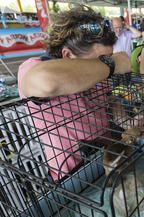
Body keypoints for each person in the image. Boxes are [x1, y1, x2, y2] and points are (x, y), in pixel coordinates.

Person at [18, 5, 131, 180]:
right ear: (67, 55)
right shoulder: (33, 67)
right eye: (100, 61)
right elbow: (43, 80)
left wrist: (128, 122)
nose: (103, 68)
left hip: (107, 163)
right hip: (71, 177)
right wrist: (112, 64)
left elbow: (108, 102)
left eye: (108, 58)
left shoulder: (98, 75)